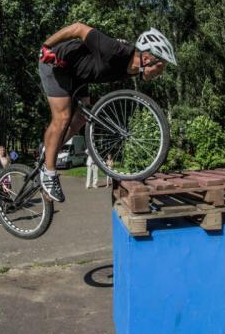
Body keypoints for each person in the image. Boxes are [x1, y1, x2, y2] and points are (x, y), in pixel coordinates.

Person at [37, 24, 175, 202]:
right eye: (161, 67)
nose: (160, 73)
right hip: (57, 63)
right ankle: (49, 174)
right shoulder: (115, 50)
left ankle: (48, 151)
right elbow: (78, 28)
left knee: (81, 118)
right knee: (63, 117)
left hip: (78, 75)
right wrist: (46, 47)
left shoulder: (133, 68)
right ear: (147, 58)